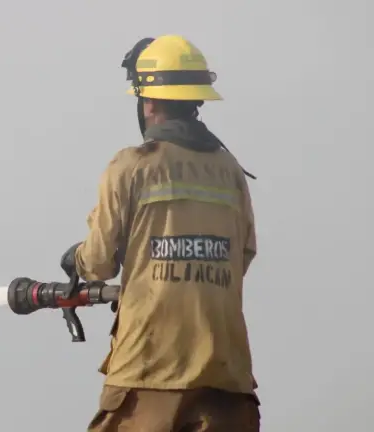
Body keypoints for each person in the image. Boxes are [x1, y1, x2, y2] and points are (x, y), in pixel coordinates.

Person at [59, 35, 261, 431]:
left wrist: (75, 258)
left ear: (147, 101)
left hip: (150, 369)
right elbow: (243, 257)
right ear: (196, 100)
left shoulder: (131, 166)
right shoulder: (230, 172)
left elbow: (99, 263)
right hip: (227, 375)